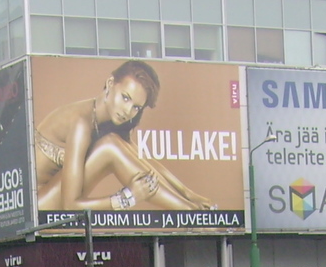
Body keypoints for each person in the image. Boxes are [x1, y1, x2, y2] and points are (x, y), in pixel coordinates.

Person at [35, 59, 216, 212]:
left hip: (52, 197)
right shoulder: (81, 124)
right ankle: (191, 215)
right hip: (37, 207)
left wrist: (187, 193)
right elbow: (70, 205)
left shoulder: (107, 124)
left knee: (115, 145)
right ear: (110, 84)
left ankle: (190, 210)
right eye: (125, 97)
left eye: (136, 107)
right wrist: (127, 197)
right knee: (109, 147)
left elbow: (144, 162)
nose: (128, 111)